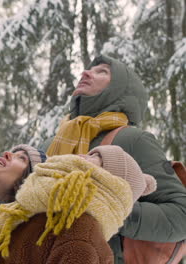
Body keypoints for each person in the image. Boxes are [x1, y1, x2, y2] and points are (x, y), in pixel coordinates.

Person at [39, 54, 186, 263]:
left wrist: (108, 209)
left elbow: (181, 215)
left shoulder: (133, 140)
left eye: (102, 71)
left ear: (122, 89)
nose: (86, 72)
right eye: (89, 69)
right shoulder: (49, 146)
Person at [0, 145, 157, 264]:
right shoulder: (24, 216)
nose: (81, 155)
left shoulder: (82, 233)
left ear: (106, 181)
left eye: (93, 158)